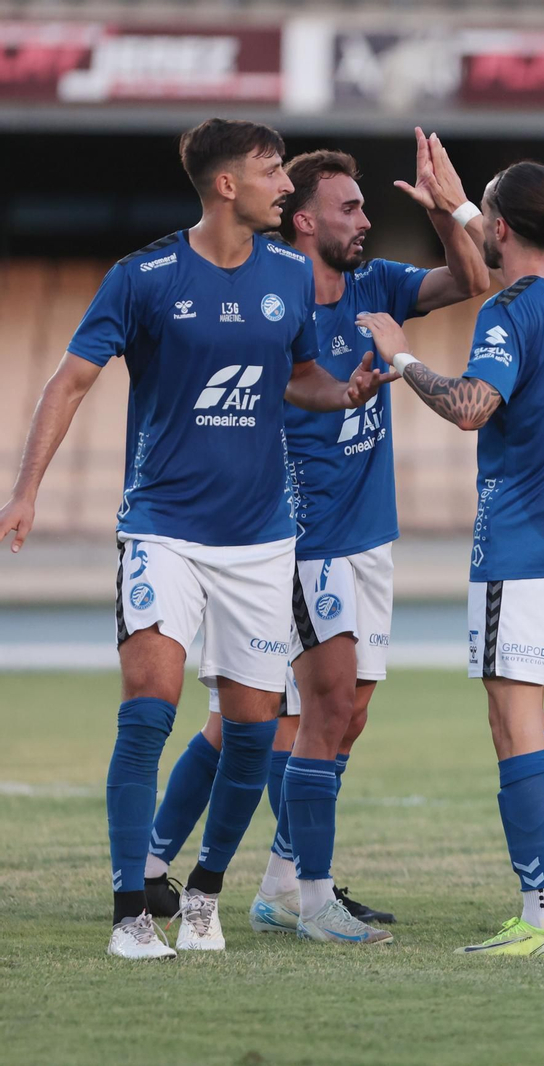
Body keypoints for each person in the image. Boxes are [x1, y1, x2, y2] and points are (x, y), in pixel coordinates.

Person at [0, 118, 390, 959]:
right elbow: (70, 383)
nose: (285, 184)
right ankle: (131, 916)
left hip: (260, 542)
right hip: (163, 530)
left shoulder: (289, 273)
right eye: (271, 169)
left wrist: (349, 392)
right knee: (148, 714)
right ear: (225, 185)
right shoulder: (142, 278)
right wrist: (25, 489)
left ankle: (205, 897)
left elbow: (300, 379)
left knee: (252, 733)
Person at [139, 131, 491, 942]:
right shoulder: (278, 292)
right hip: (303, 537)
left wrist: (447, 213)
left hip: (369, 535)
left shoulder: (378, 285)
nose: (365, 218)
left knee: (320, 716)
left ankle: (218, 875)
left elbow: (473, 278)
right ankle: (304, 895)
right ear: (300, 219)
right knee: (311, 712)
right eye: (350, 206)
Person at [358, 159, 544, 958]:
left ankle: (540, 915)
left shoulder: (509, 311)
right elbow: (503, 245)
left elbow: (472, 408)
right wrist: (459, 203)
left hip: (522, 539)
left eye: (486, 217)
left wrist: (401, 356)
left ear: (505, 229)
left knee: (510, 718)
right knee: (532, 708)